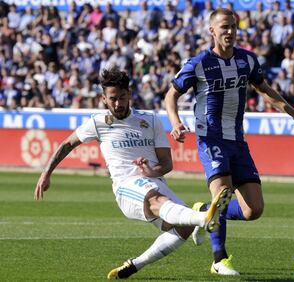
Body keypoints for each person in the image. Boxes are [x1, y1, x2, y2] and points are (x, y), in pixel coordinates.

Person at [34, 66, 232, 279]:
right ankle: (203, 218)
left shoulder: (151, 120)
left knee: (181, 229)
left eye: (121, 97)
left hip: (155, 182)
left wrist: (151, 169)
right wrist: (47, 173)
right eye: (112, 99)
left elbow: (167, 164)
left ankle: (135, 264)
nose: (117, 103)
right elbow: (67, 144)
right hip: (126, 187)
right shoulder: (98, 123)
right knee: (158, 200)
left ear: (129, 94)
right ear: (103, 99)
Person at [165, 8, 294, 276]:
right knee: (222, 193)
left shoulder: (247, 60)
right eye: (224, 27)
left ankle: (204, 211)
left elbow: (263, 88)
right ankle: (219, 259)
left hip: (237, 140)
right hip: (210, 138)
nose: (229, 31)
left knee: (253, 210)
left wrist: (291, 110)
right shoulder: (199, 63)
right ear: (212, 31)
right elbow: (171, 95)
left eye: (233, 26)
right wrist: (175, 122)